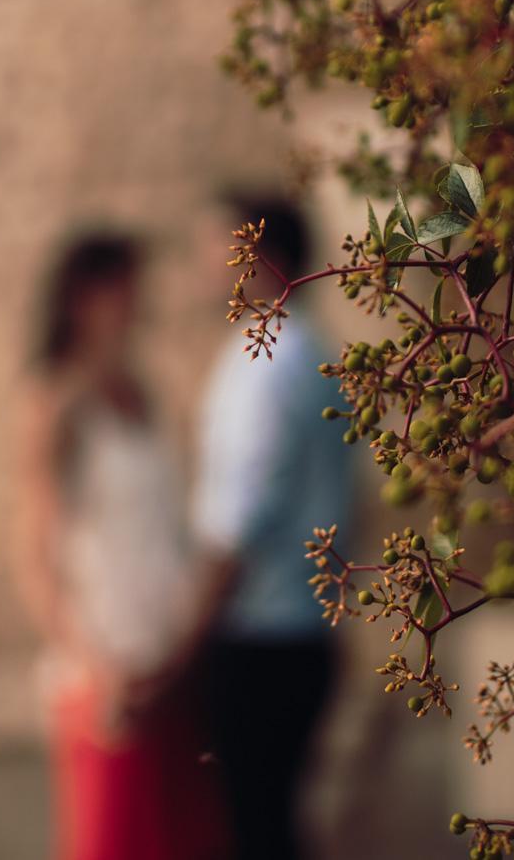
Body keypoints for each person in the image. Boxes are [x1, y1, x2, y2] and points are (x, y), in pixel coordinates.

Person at [13, 233, 226, 860]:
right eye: (122, 285)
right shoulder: (54, 402)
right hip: (106, 676)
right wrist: (92, 666)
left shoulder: (146, 391)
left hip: (169, 664)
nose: (137, 301)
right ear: (84, 295)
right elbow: (35, 554)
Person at [181, 193, 355, 860]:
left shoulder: (269, 363)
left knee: (253, 829)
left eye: (216, 245)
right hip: (299, 634)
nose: (202, 262)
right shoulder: (306, 349)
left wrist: (182, 643)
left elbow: (237, 526)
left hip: (260, 638)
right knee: (270, 822)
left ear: (265, 258)